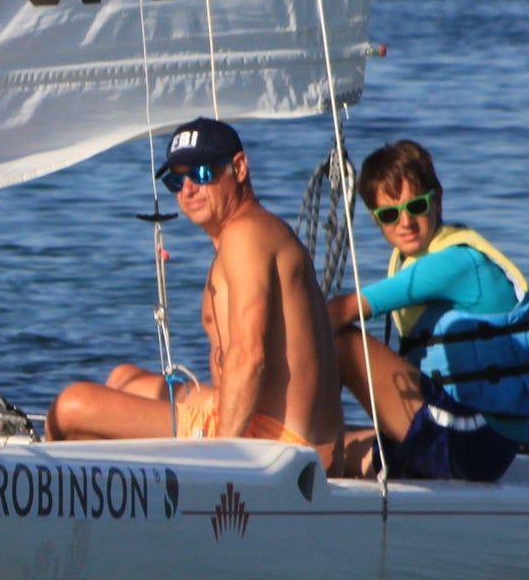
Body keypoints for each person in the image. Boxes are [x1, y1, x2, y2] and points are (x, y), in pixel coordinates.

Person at [46, 117, 345, 472]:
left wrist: (220, 461)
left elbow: (249, 357)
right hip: (300, 440)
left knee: (71, 407)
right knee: (123, 379)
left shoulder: (245, 234)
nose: (188, 189)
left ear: (239, 168)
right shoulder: (261, 229)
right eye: (176, 180)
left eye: (201, 174)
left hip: (275, 448)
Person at [328, 140, 529, 480]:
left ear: (437, 200)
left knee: (341, 342)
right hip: (459, 433)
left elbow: (341, 311)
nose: (405, 222)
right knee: (328, 453)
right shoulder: (410, 259)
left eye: (416, 206)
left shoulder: (455, 262)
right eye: (389, 214)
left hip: (477, 440)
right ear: (375, 219)